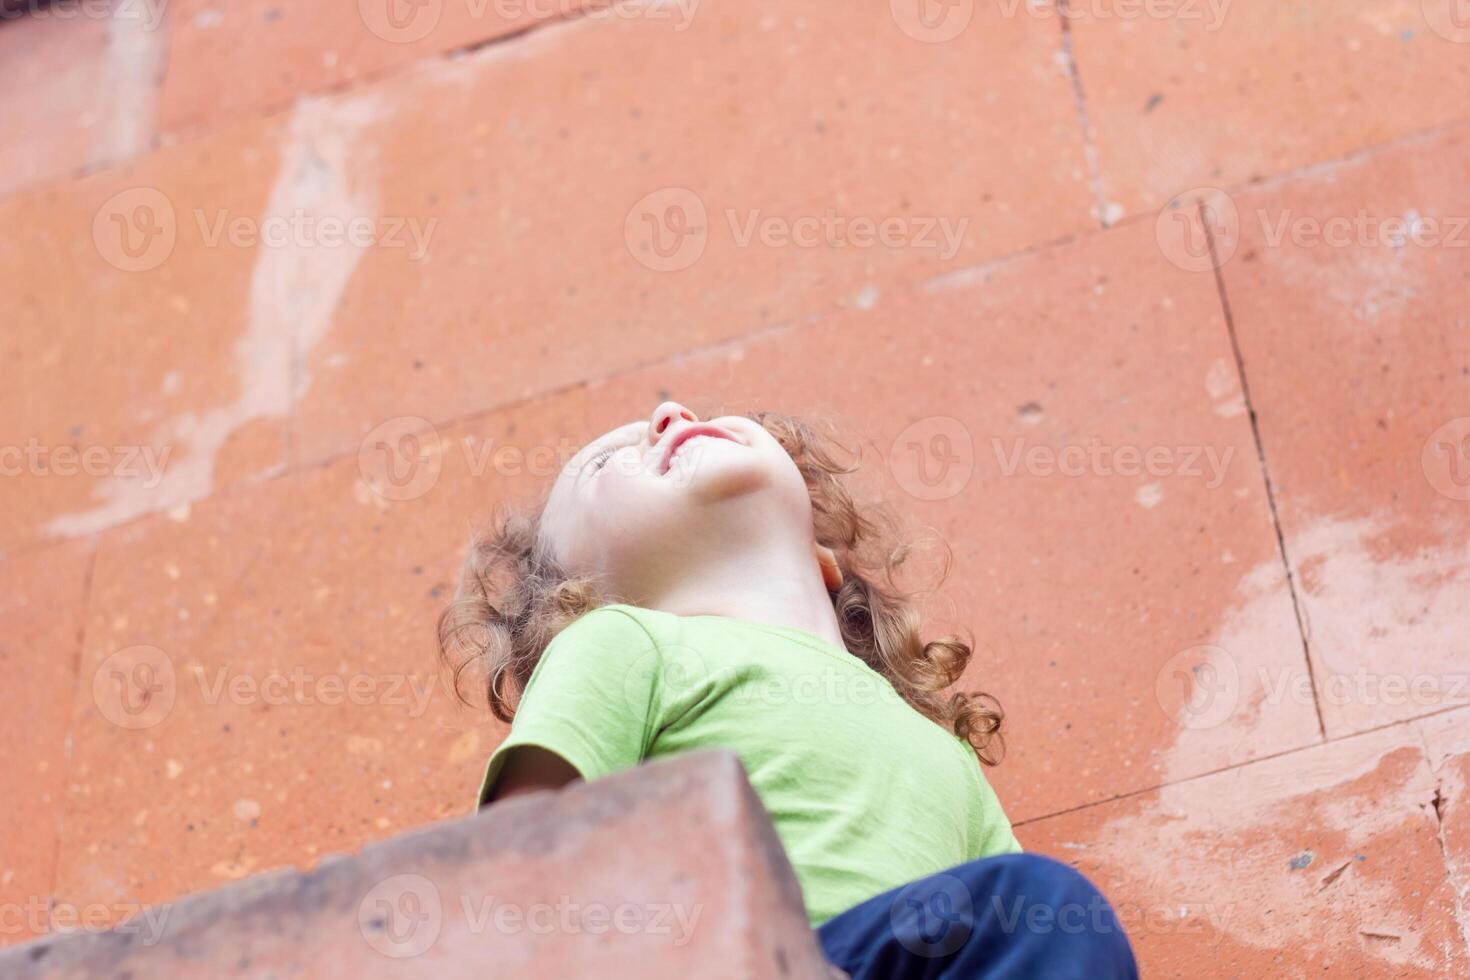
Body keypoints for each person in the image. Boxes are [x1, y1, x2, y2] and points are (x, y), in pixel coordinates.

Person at [439, 401, 1137, 978]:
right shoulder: (620, 641)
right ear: (574, 596)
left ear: (823, 561)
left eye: (693, 411)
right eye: (603, 463)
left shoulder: (942, 754)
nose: (666, 413)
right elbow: (523, 859)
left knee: (1046, 916)